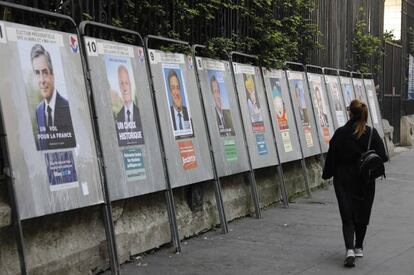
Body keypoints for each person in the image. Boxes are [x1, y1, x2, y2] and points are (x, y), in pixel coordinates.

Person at [322, 99, 388, 268]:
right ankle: (359, 246)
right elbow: (383, 157)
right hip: (365, 179)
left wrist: (327, 174)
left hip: (344, 178)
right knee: (362, 212)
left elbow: (332, 157)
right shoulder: (372, 133)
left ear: (350, 113)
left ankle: (349, 249)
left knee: (347, 214)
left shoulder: (340, 133)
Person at [31, 44, 75, 150]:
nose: (42, 80)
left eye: (45, 72)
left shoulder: (68, 107)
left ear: (52, 75)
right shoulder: (38, 110)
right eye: (37, 73)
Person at [115, 65, 144, 146]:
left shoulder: (140, 113)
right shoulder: (118, 116)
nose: (124, 88)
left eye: (126, 83)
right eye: (121, 83)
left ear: (130, 85)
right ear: (119, 87)